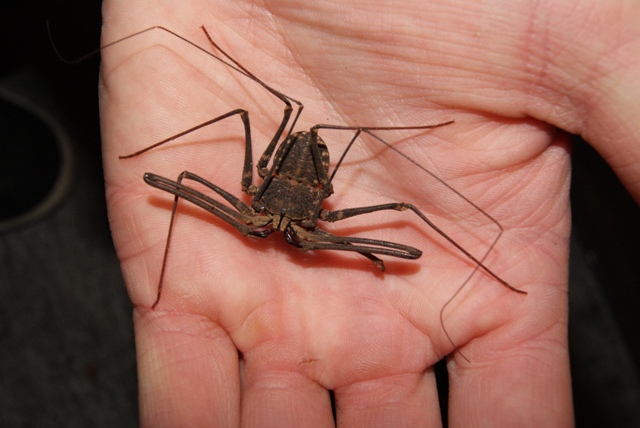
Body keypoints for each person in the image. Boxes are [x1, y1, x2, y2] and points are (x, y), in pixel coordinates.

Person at [100, 0, 639, 426]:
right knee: (190, 172)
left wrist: (358, 246)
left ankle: (482, 265)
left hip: (304, 190)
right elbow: (178, 181)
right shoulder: (266, 190)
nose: (278, 237)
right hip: (280, 188)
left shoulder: (312, 207)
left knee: (400, 213)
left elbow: (389, 226)